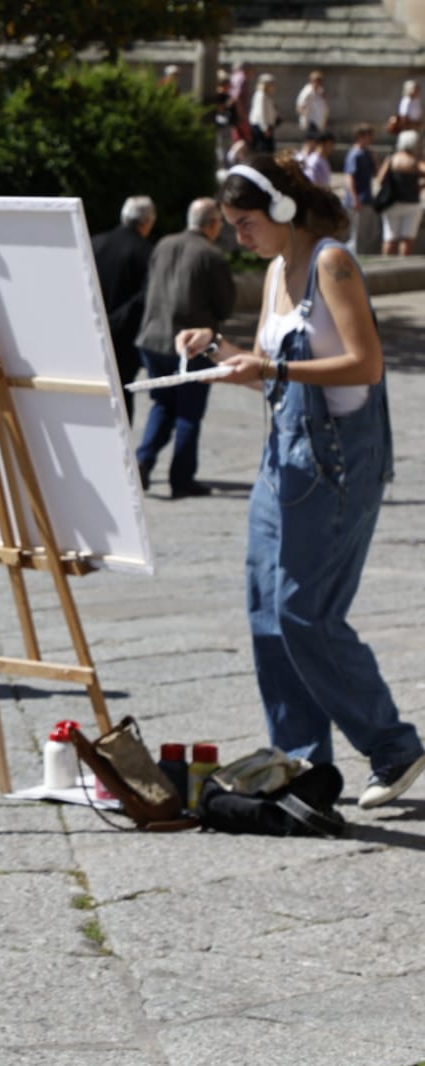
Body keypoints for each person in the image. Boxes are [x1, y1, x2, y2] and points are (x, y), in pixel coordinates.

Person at [176, 156, 425, 810]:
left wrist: (269, 370)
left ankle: (393, 746)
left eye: (246, 223)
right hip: (282, 453)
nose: (239, 237)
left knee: (302, 611)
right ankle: (302, 762)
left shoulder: (330, 263)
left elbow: (364, 364)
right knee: (264, 609)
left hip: (338, 458)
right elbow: (269, 371)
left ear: (282, 210)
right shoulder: (271, 273)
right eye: (230, 226)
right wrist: (217, 353)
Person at [133, 197, 236, 498]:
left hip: (152, 338)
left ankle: (143, 460)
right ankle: (182, 477)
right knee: (189, 413)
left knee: (163, 403)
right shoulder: (211, 255)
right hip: (191, 342)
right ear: (212, 224)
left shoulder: (163, 244)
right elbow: (225, 305)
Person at [92, 195, 156, 422]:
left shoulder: (96, 243)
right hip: (124, 338)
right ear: (147, 221)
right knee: (121, 398)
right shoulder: (147, 252)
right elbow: (145, 298)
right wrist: (115, 322)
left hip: (91, 331)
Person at [376, 128, 424, 256]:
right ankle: (403, 266)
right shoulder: (414, 161)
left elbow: (380, 179)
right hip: (411, 203)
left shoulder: (391, 159)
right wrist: (420, 186)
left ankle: (385, 265)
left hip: (392, 202)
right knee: (407, 238)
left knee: (390, 237)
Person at [344, 122, 379, 254]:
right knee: (356, 232)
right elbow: (349, 177)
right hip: (358, 199)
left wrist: (375, 160)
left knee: (364, 232)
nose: (370, 140)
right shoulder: (355, 154)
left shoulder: (367, 153)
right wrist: (354, 197)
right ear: (360, 136)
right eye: (368, 136)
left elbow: (376, 174)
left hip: (366, 198)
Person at [248, 73, 278, 153]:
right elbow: (261, 112)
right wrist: (265, 128)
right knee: (265, 149)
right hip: (262, 126)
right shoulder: (261, 95)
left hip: (265, 126)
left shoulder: (265, 95)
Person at [295, 70, 328, 136]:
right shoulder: (307, 91)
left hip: (319, 121)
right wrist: (305, 113)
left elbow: (324, 105)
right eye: (315, 81)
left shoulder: (321, 91)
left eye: (319, 81)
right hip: (310, 120)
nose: (317, 83)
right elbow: (300, 105)